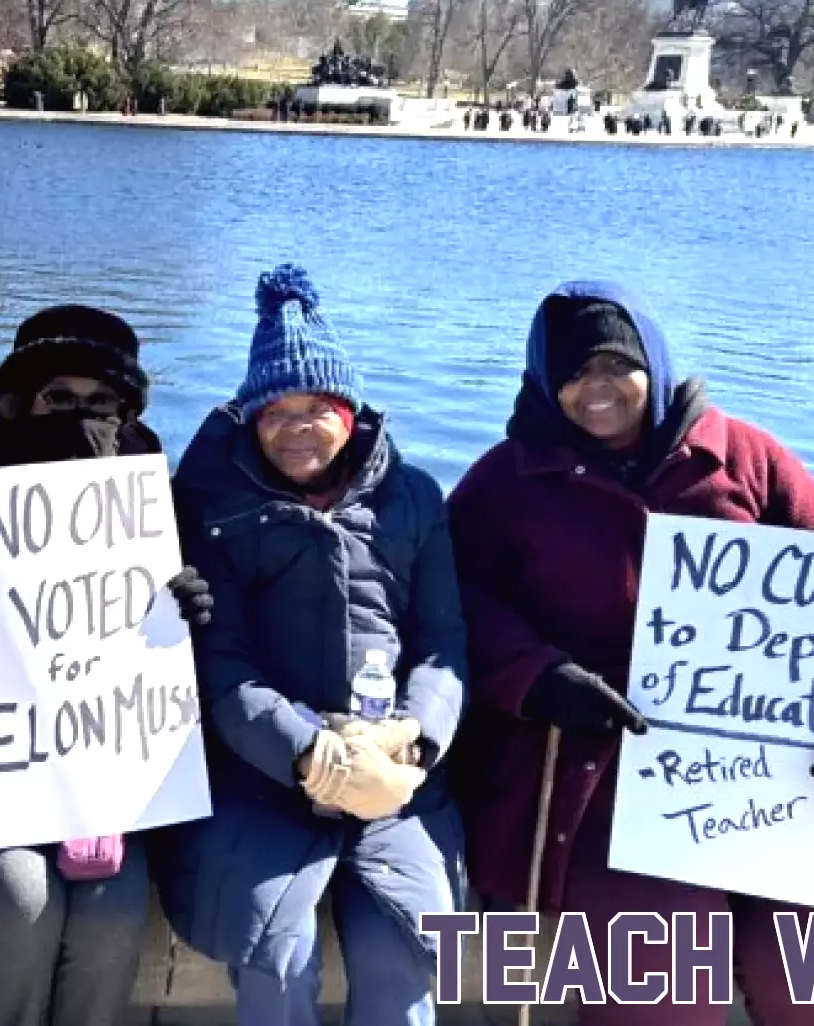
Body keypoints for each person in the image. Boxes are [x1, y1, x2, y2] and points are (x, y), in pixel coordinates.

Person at [446, 281, 814, 1025]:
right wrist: (536, 675)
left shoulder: (747, 459)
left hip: (776, 765)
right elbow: (451, 599)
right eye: (571, 373)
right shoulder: (505, 481)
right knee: (663, 993)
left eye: (613, 365)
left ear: (652, 363)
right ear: (542, 382)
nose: (595, 389)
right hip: (606, 774)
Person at [152, 265, 467, 1026]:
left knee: (408, 944)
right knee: (274, 945)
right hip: (262, 778)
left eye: (315, 407)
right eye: (273, 413)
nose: (294, 428)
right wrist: (305, 753)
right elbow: (218, 663)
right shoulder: (212, 510)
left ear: (350, 411)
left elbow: (443, 643)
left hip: (395, 772)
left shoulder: (416, 498)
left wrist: (412, 739)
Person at [0, 305, 210, 1026]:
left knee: (114, 912)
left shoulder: (149, 493)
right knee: (20, 907)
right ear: (22, 402)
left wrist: (186, 607)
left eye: (100, 403)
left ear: (125, 412)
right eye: (58, 399)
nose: (79, 415)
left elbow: (164, 642)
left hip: (104, 749)